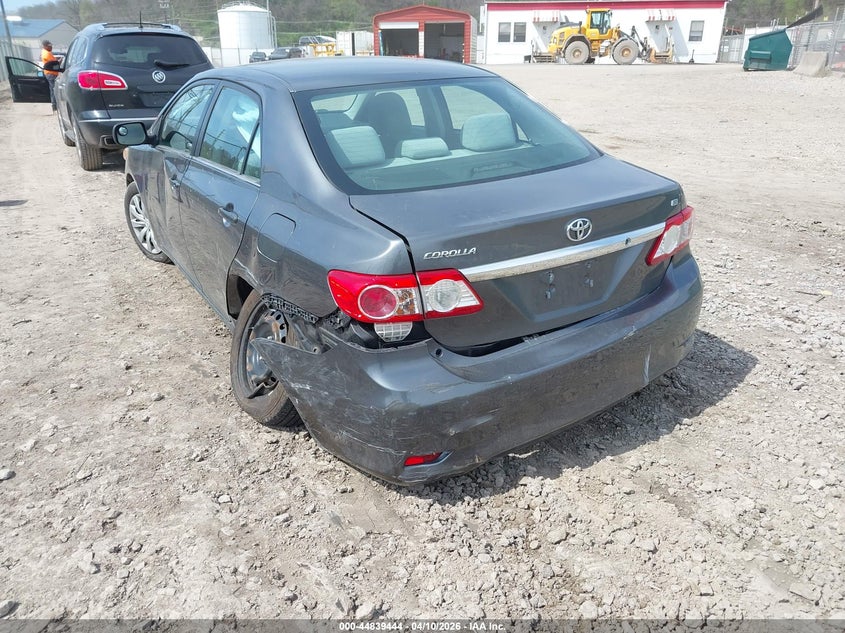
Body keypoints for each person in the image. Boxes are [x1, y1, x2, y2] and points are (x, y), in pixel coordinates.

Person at [40, 40, 60, 112]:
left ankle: (54, 105)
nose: (51, 47)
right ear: (45, 46)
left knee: (52, 90)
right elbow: (55, 63)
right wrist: (60, 61)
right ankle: (55, 106)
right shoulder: (47, 54)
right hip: (51, 74)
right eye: (49, 46)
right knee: (55, 90)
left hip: (49, 73)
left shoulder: (45, 53)